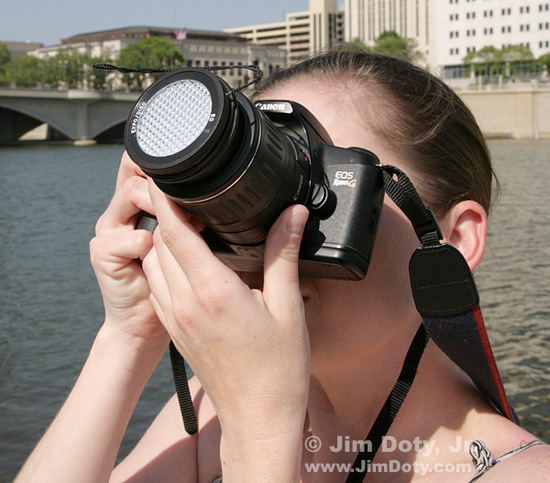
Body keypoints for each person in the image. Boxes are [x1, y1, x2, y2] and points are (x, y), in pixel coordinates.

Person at [16, 50, 549, 482]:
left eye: (319, 191)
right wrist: (130, 336)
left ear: (454, 239)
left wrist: (261, 433)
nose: (275, 239)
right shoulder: (213, 411)